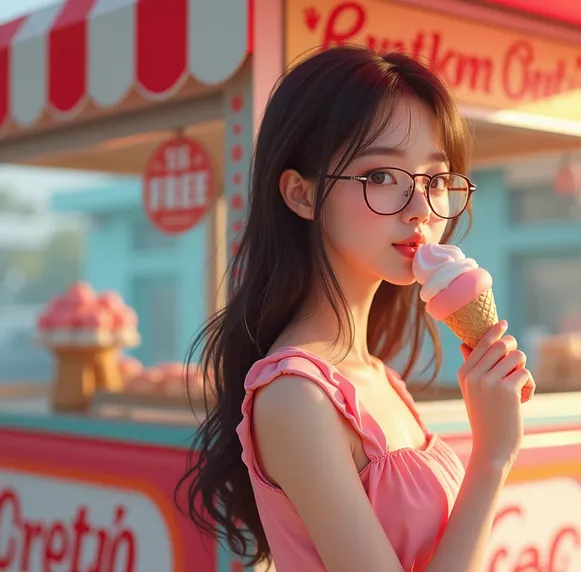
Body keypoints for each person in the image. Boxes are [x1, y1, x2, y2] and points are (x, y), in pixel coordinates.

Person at [178, 45, 535, 572]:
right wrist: (492, 458)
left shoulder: (378, 377)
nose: (420, 209)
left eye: (435, 180)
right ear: (301, 195)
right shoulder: (298, 395)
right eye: (380, 177)